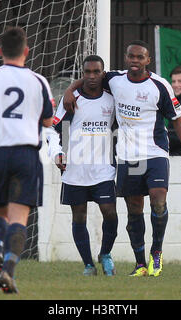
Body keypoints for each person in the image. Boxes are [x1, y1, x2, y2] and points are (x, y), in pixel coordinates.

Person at [63, 40, 181, 277]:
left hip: (155, 152)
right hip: (127, 156)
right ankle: (140, 264)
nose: (135, 61)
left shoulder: (160, 85)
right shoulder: (114, 79)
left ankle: (156, 254)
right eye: (131, 56)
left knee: (158, 200)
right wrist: (68, 90)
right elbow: (89, 78)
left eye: (140, 57)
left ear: (148, 60)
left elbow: (177, 119)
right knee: (134, 208)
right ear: (126, 58)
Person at [0, 26, 54, 294]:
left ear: (0, 51)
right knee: (19, 218)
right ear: (26, 52)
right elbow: (49, 120)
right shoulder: (39, 81)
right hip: (26, 155)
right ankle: (9, 270)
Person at [46, 55, 118, 276]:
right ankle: (88, 264)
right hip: (75, 170)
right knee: (79, 216)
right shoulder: (71, 99)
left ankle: (105, 254)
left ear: (103, 73)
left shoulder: (112, 97)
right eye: (87, 72)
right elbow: (52, 130)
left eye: (97, 72)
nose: (92, 76)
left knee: (110, 212)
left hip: (103, 169)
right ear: (82, 74)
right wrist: (57, 154)